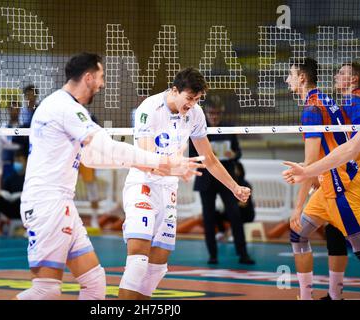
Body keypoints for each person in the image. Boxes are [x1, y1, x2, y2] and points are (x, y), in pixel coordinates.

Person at [15, 52, 204, 300]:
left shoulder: (63, 106)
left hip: (62, 204)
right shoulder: (64, 107)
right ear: (88, 77)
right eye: (101, 77)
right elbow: (109, 147)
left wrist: (148, 165)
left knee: (94, 282)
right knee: (46, 290)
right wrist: (163, 162)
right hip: (46, 204)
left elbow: (92, 158)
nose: (102, 84)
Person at [118, 68, 251, 300]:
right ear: (174, 90)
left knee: (157, 268)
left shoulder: (196, 114)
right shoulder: (149, 109)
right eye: (189, 98)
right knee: (138, 261)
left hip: (168, 191)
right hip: (143, 185)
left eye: (197, 99)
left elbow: (208, 158)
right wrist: (176, 167)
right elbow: (148, 159)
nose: (192, 104)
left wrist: (235, 187)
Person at [283, 58, 360, 300]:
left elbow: (308, 165)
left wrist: (297, 208)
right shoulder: (326, 100)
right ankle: (307, 297)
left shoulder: (312, 110)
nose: (287, 79)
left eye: (291, 74)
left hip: (342, 188)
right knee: (298, 235)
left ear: (302, 78)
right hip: (328, 185)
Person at [189, 96, 255, 265]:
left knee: (235, 215)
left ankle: (243, 254)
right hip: (206, 180)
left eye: (217, 113)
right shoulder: (198, 128)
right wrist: (207, 158)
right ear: (207, 113)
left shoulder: (228, 129)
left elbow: (238, 152)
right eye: (212, 113)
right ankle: (212, 255)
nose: (215, 116)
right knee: (208, 218)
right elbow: (192, 156)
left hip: (227, 178)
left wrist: (233, 155)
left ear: (221, 113)